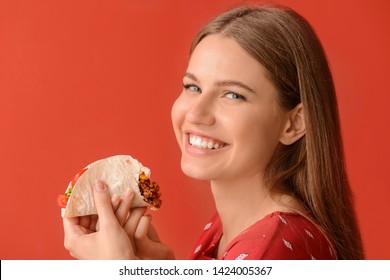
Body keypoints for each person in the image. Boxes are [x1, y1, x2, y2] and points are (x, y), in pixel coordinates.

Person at [63, 4, 364, 260]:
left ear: (295, 123)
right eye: (193, 87)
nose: (195, 113)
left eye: (233, 95)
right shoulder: (233, 228)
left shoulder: (270, 249)